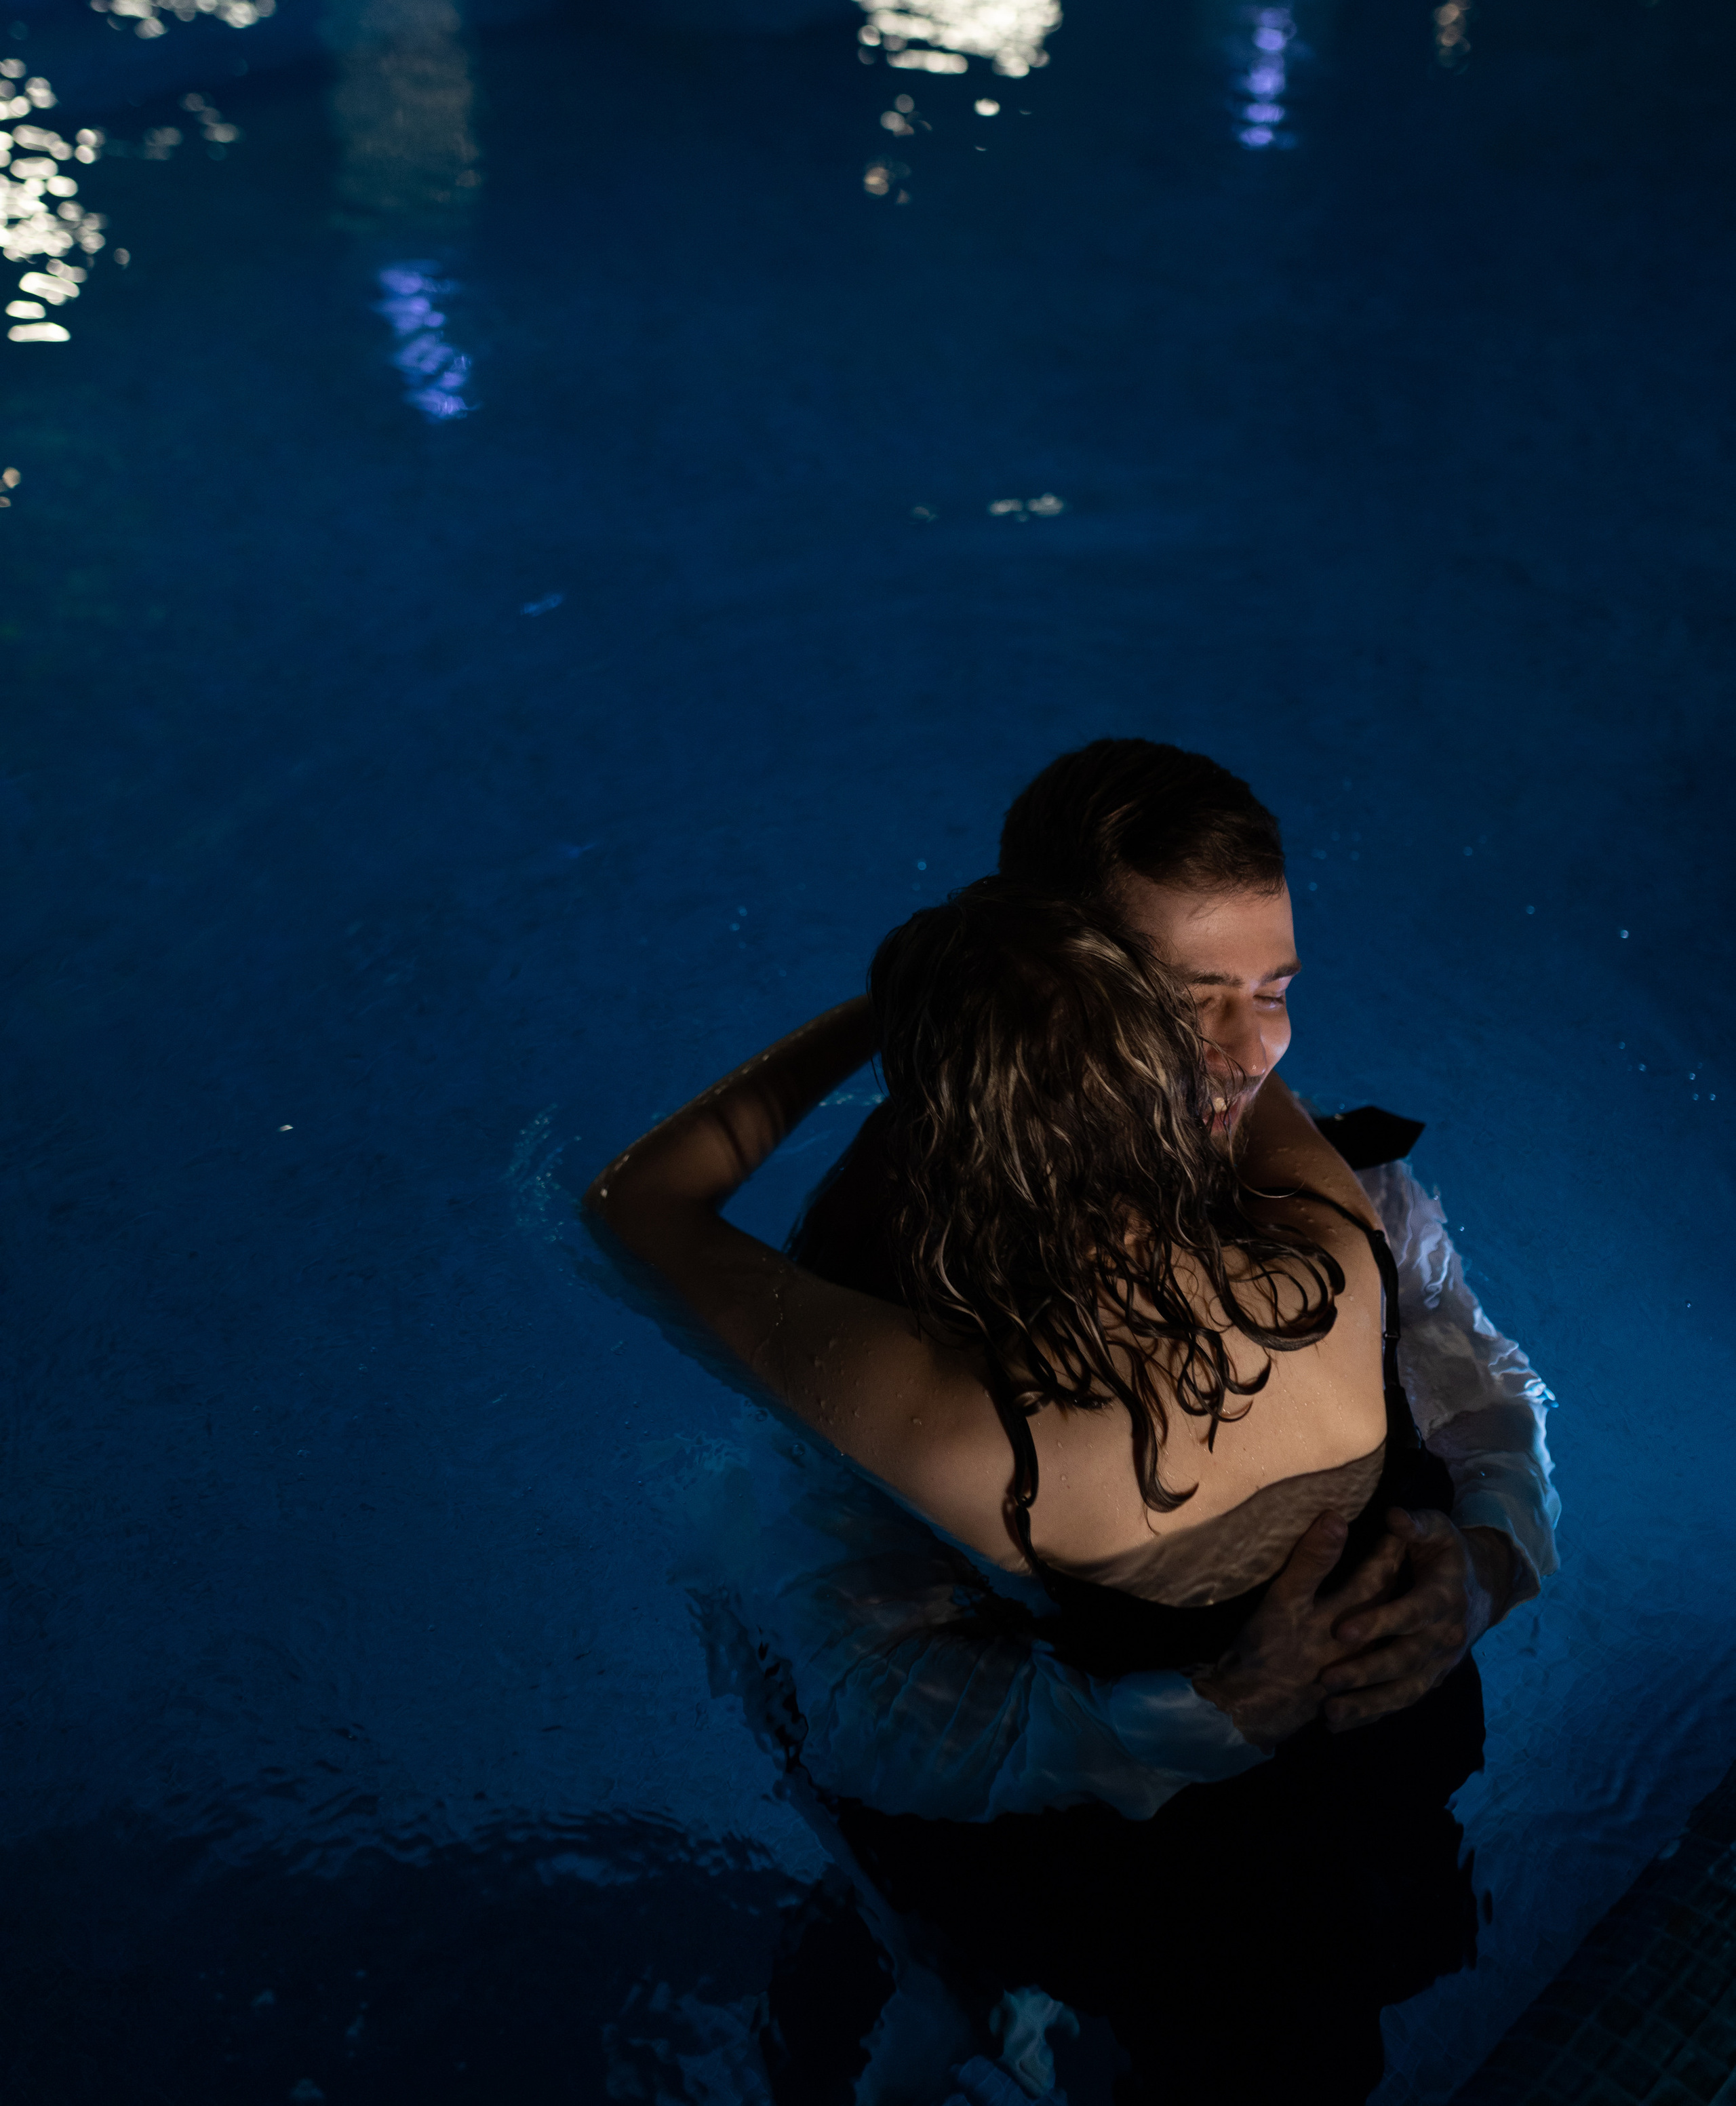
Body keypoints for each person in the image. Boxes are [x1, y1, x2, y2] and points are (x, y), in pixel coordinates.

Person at [585, 748, 1558, 2100]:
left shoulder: (957, 1401)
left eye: (1273, 991)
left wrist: (1483, 1562)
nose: (1247, 1056)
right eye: (1181, 1003)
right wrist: (1180, 1720)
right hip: (1150, 1835)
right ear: (1086, 998)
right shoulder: (1314, 1232)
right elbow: (871, 1684)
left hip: (1326, 1758)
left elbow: (1471, 1374)